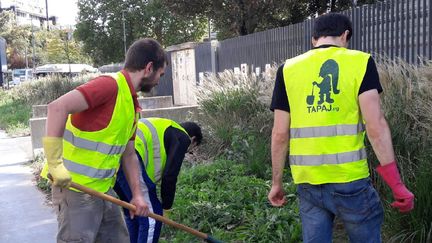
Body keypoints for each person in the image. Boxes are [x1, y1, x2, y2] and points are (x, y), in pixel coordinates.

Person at [267, 13, 414, 243]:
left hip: (308, 183)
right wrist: (396, 184)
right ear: (345, 35)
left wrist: (276, 183)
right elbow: (375, 126)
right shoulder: (361, 62)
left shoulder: (287, 70)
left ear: (313, 39)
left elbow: (279, 134)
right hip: (351, 182)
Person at [41, 38, 168, 243]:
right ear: (149, 68)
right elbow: (56, 107)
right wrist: (55, 165)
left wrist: (137, 195)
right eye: (160, 74)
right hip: (76, 190)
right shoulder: (110, 86)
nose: (158, 81)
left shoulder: (131, 104)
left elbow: (128, 155)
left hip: (103, 191)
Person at [114, 117, 202, 243]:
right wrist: (167, 207)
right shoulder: (182, 137)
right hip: (130, 156)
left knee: (134, 213)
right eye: (192, 150)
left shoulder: (164, 128)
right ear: (193, 140)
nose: (188, 152)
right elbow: (170, 175)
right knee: (151, 215)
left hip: (113, 158)